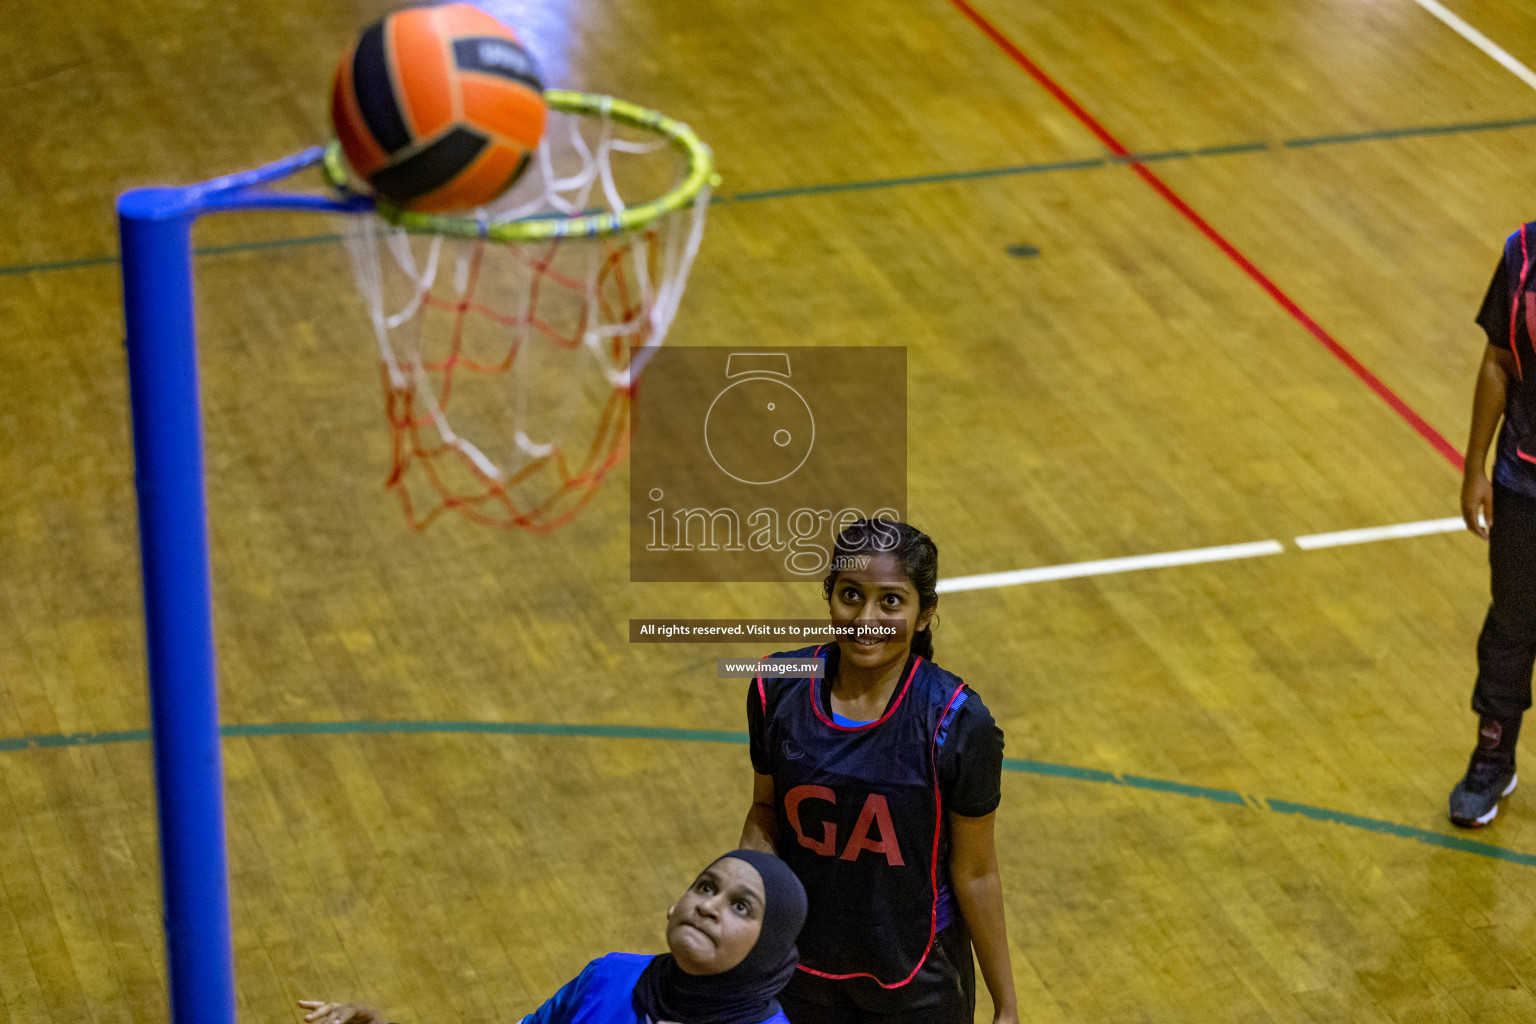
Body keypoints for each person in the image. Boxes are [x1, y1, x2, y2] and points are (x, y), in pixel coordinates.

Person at [740, 520, 1019, 1024]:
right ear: (829, 597)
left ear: (925, 613)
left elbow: (976, 871)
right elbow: (765, 810)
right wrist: (743, 927)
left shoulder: (958, 722)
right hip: (798, 972)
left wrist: (1008, 1006)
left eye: (890, 601)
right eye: (851, 595)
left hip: (917, 982)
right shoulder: (775, 686)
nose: (866, 618)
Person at [297, 849, 808, 1024]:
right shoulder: (610, 977)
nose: (709, 907)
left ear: (766, 950)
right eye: (705, 887)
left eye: (741, 907)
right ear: (675, 906)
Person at [1451, 218, 1536, 828]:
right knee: (1512, 623)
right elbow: (1498, 361)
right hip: (1523, 481)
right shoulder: (1522, 254)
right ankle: (1492, 756)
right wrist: (1474, 467)